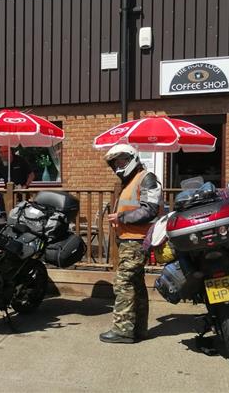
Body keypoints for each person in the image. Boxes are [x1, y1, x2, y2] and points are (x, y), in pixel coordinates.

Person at [100, 144, 163, 344]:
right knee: (136, 285)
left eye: (122, 161)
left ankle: (123, 331)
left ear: (132, 159)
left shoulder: (146, 178)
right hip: (128, 240)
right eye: (116, 163)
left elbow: (150, 209)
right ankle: (138, 329)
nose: (119, 166)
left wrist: (122, 217)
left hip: (137, 241)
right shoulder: (129, 181)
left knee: (123, 282)